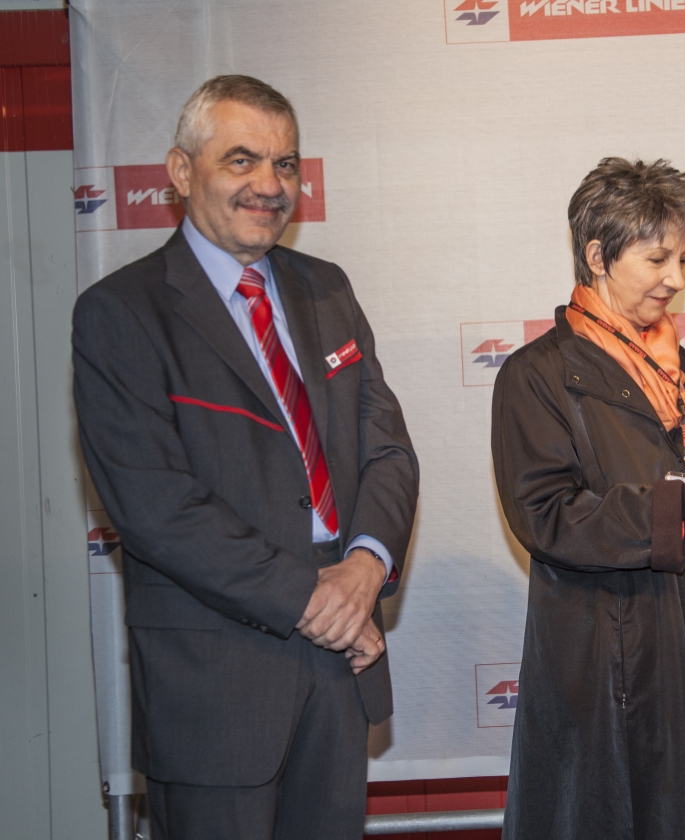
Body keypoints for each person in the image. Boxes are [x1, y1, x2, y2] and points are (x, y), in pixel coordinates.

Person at [72, 75, 419, 840]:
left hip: (339, 669)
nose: (269, 185)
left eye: (286, 164)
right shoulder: (121, 314)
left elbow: (387, 448)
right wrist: (322, 603)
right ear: (180, 170)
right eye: (242, 161)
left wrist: (363, 571)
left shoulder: (327, 288)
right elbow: (157, 507)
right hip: (215, 689)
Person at [492, 157, 685, 840]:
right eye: (657, 259)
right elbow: (546, 515)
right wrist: (675, 505)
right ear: (598, 256)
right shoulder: (537, 376)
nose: (676, 279)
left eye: (683, 258)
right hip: (598, 654)